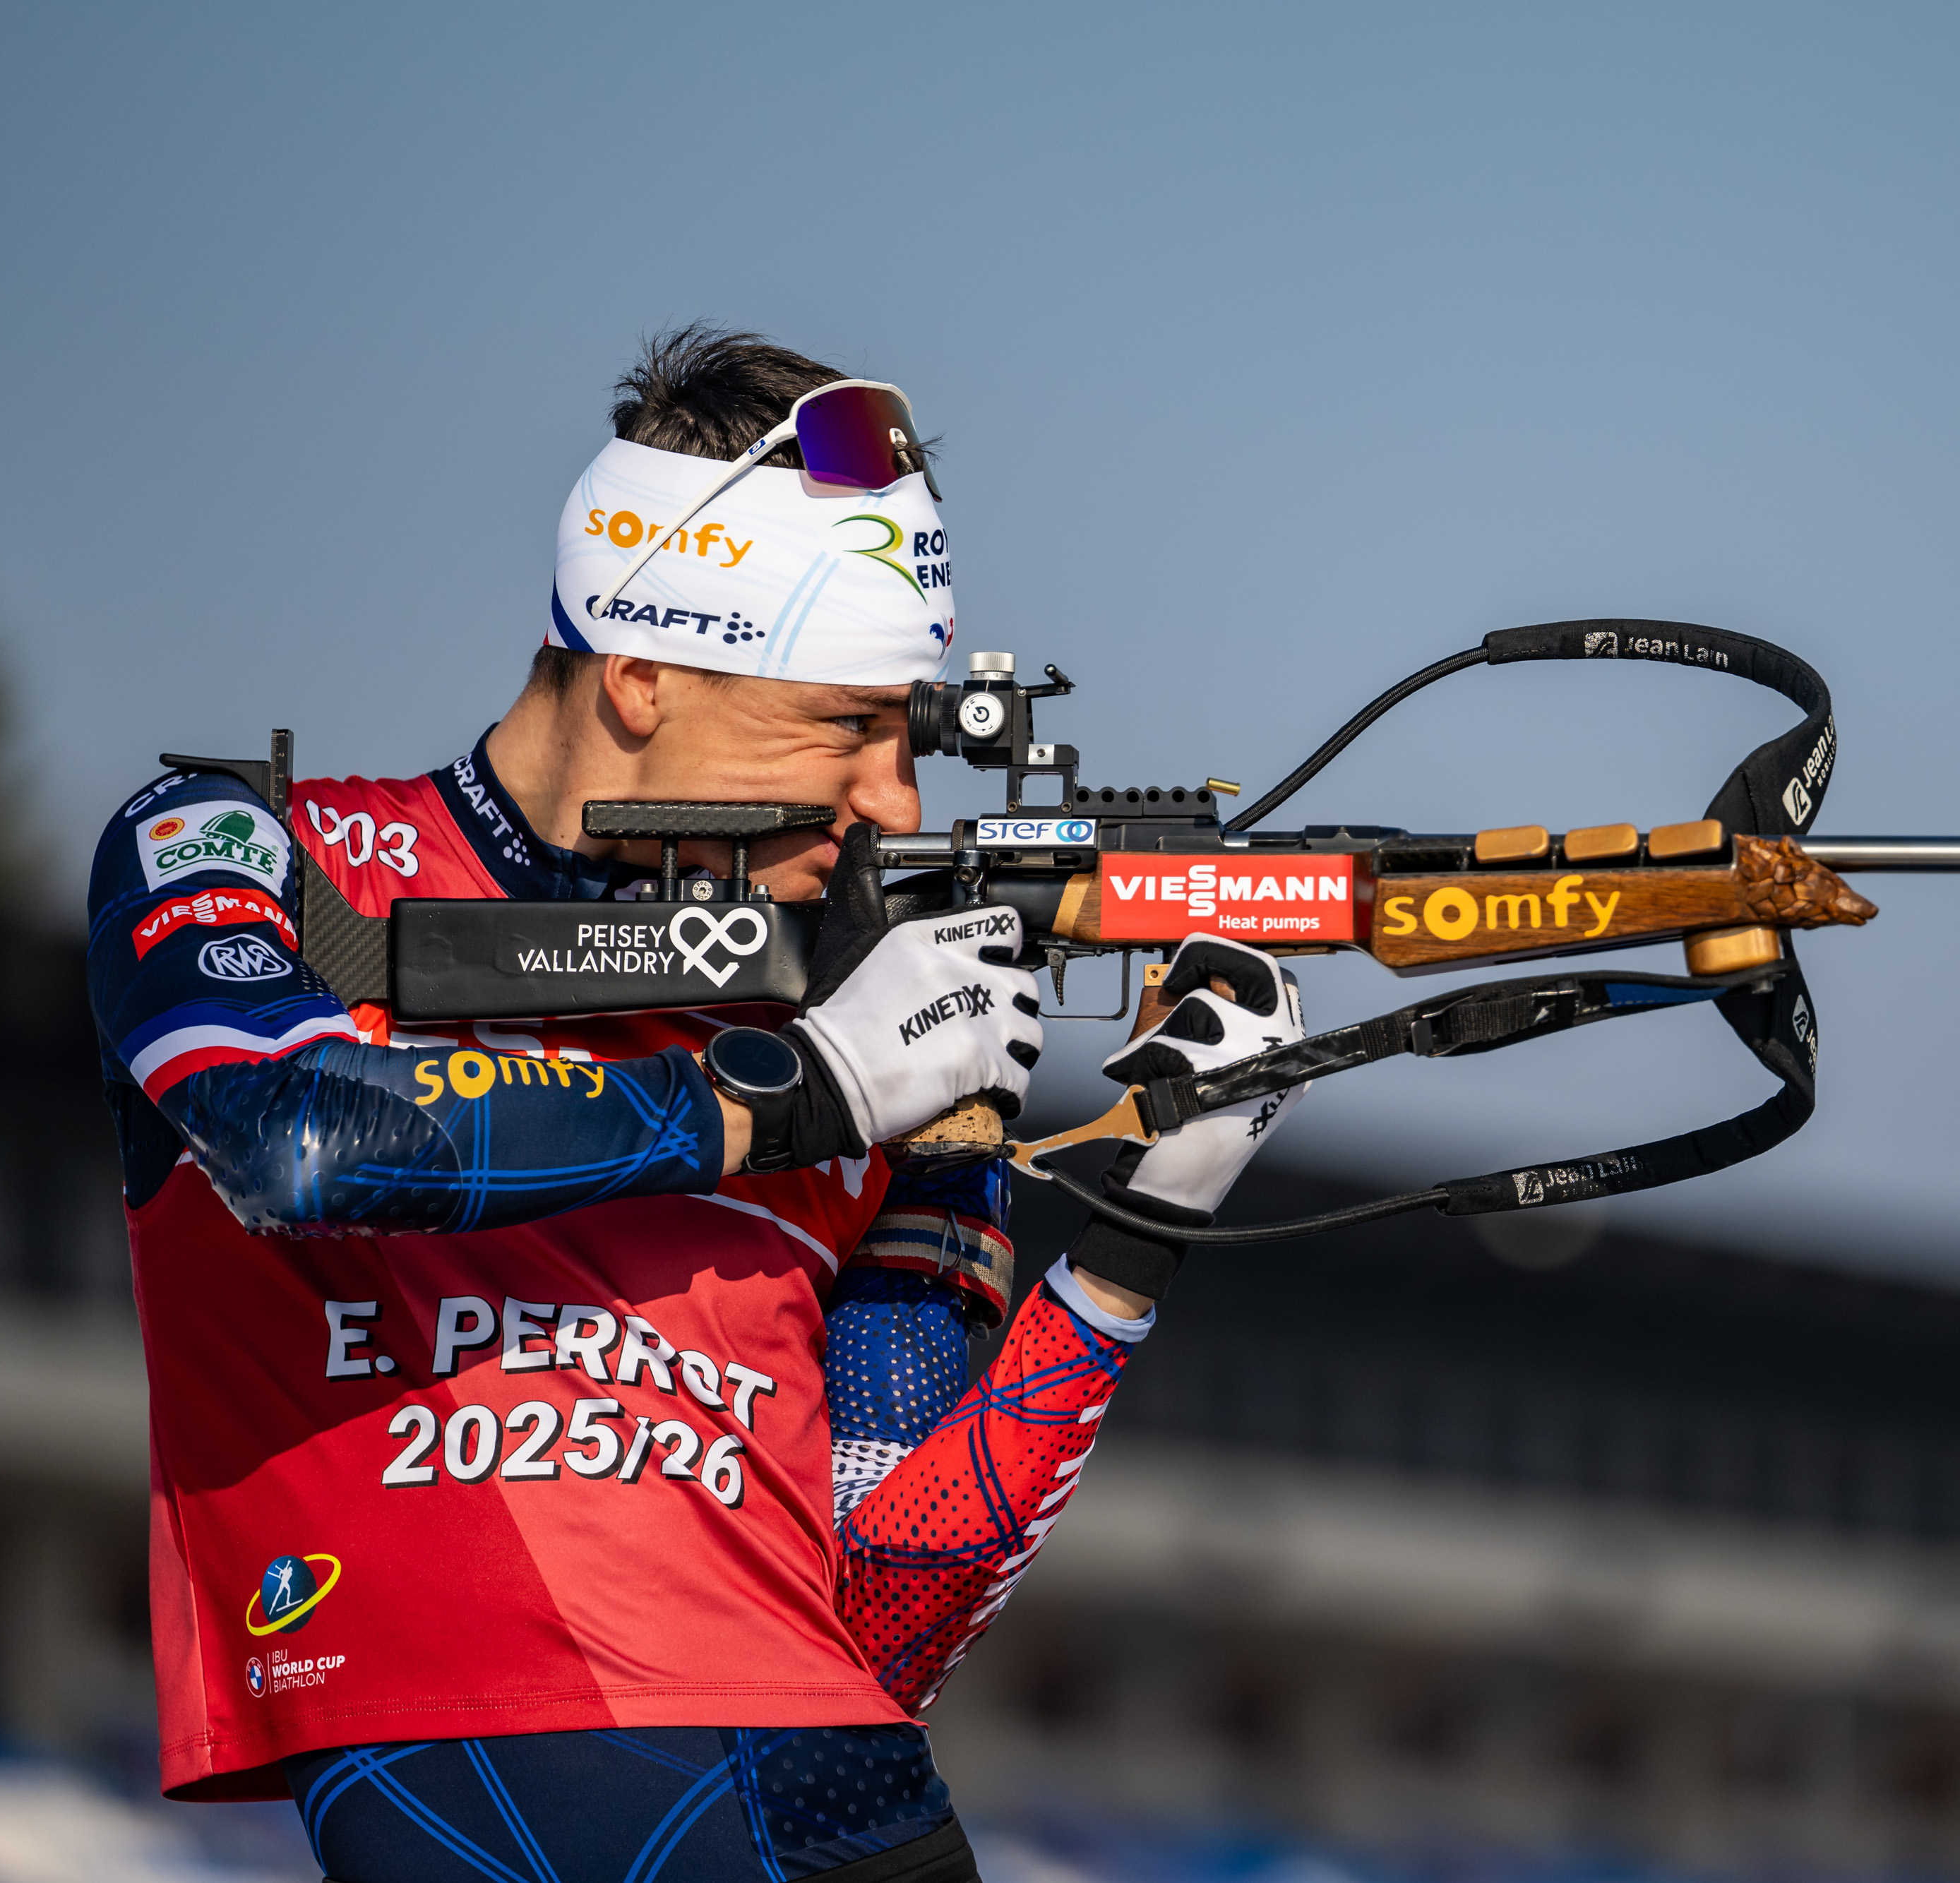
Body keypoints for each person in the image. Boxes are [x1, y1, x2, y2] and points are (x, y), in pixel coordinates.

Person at [87, 327, 1307, 1883]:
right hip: (534, 1780)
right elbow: (297, 1135)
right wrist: (803, 1087)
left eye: (906, 732)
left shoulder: (855, 992)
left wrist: (1137, 1226)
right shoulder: (257, 850)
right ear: (643, 673)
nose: (893, 804)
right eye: (839, 727)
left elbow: (876, 1618)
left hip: (841, 1806)